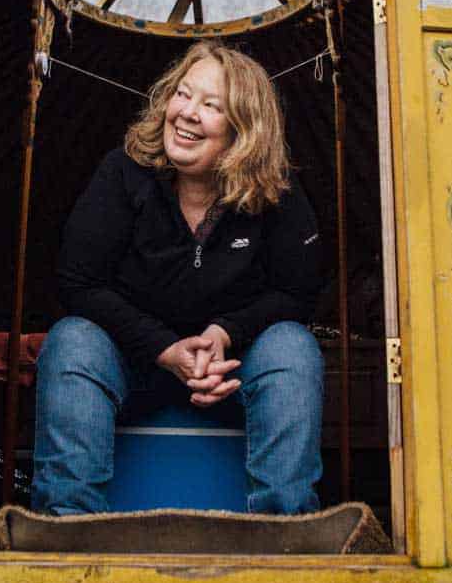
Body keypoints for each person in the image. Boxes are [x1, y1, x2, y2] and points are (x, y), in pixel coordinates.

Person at [31, 40, 325, 516]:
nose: (188, 113)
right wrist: (164, 349)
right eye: (183, 95)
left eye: (211, 106)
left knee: (292, 347)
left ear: (243, 130)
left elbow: (297, 292)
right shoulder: (123, 174)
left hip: (232, 372)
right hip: (133, 365)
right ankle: (68, 526)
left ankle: (283, 527)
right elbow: (78, 281)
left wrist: (224, 335)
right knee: (72, 341)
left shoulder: (277, 193)